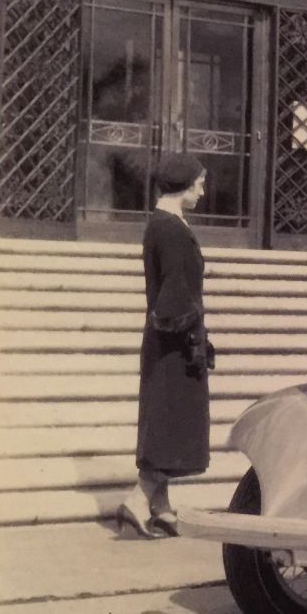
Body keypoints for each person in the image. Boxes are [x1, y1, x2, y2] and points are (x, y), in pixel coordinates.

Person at [120, 152, 213, 538]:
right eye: (201, 183)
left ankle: (161, 506)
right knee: (171, 421)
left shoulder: (163, 224)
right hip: (175, 345)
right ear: (186, 185)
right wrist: (194, 334)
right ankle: (139, 500)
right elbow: (175, 294)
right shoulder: (171, 229)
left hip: (168, 343)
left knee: (169, 419)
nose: (204, 192)